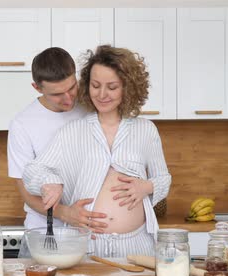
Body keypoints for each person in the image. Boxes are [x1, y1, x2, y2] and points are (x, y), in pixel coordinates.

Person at [22, 45, 171, 257]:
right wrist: (48, 182)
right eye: (95, 85)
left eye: (112, 87)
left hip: (137, 247)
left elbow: (164, 178)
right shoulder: (73, 131)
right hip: (86, 246)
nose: (102, 95)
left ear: (127, 87)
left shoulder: (146, 130)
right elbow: (33, 171)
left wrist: (146, 186)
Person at [7, 47, 107, 233]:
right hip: (44, 231)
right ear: (37, 88)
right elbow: (27, 195)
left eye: (71, 88)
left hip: (86, 231)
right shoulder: (22, 125)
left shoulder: (90, 107)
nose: (68, 99)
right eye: (57, 94)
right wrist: (65, 213)